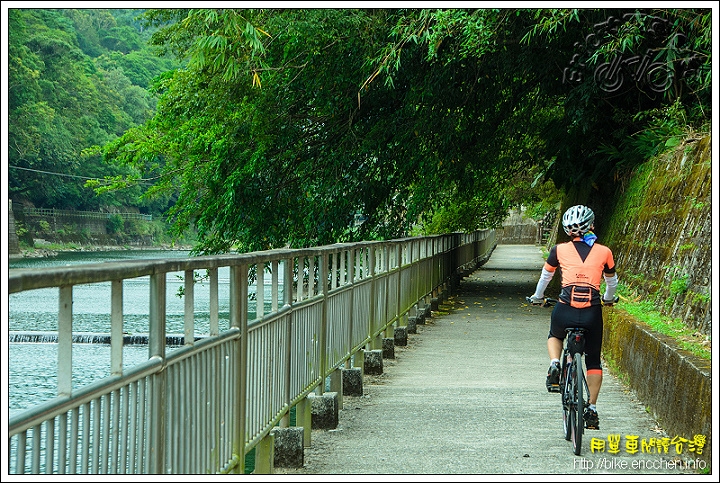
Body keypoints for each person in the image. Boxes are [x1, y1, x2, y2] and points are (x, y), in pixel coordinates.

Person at [528, 204, 618, 430]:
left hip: (565, 309)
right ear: (591, 226)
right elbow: (611, 283)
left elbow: (545, 278)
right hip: (591, 312)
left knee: (555, 335)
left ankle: (555, 363)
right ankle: (592, 409)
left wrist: (538, 297)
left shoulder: (558, 250)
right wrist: (607, 299)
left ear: (567, 230)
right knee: (594, 360)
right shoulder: (605, 252)